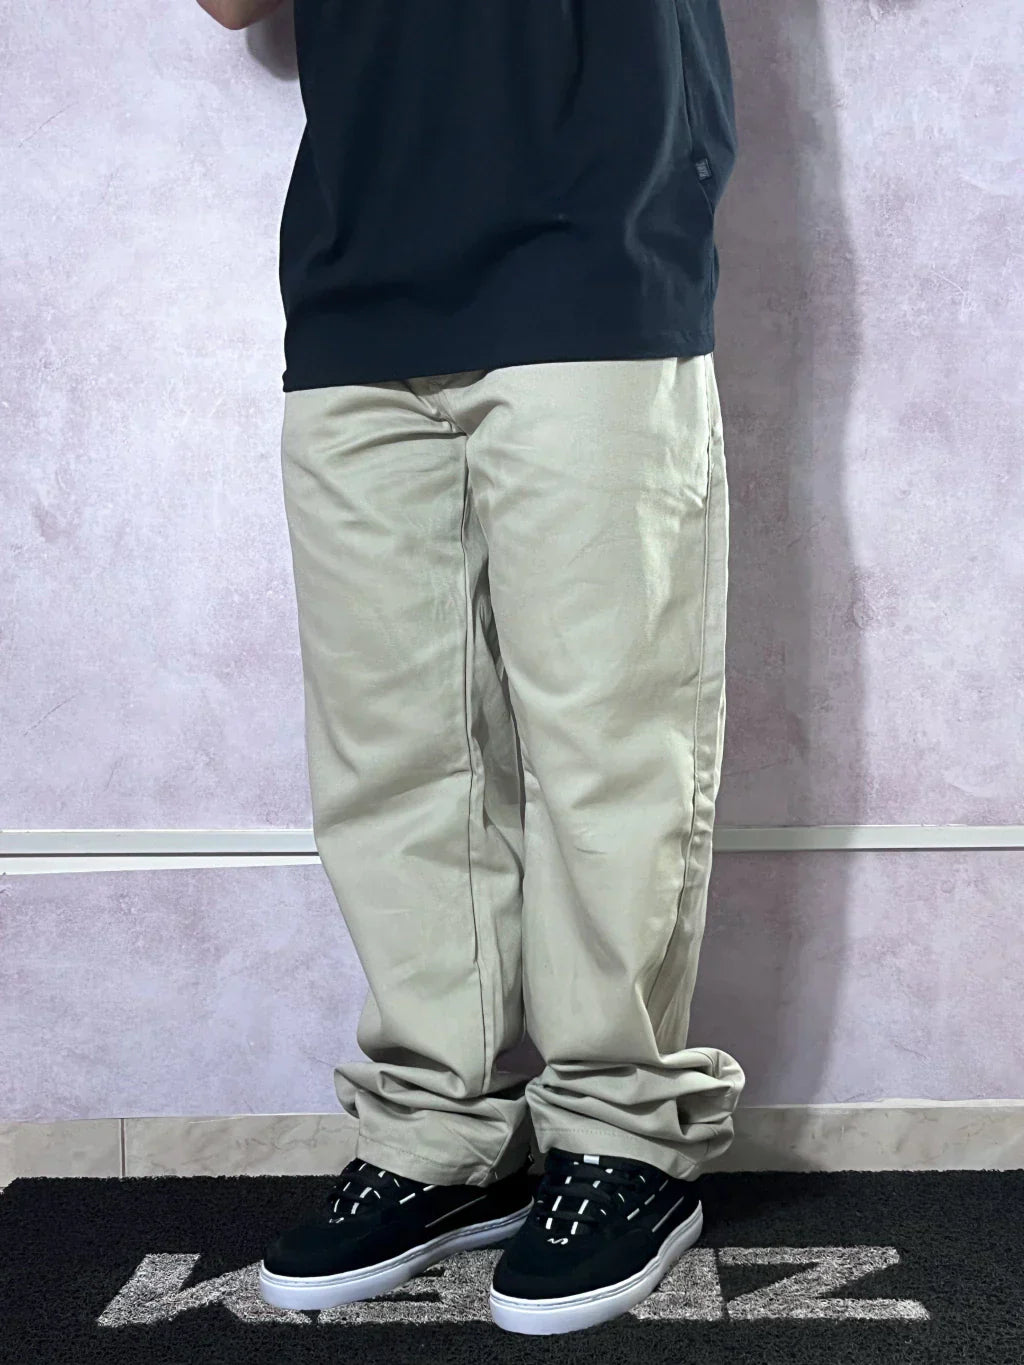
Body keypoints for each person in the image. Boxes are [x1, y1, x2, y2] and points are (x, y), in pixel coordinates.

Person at [200, 0, 745, 1336]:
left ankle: (625, 1135)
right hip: (359, 256)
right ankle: (440, 1135)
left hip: (593, 233)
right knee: (394, 754)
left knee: (609, 737)